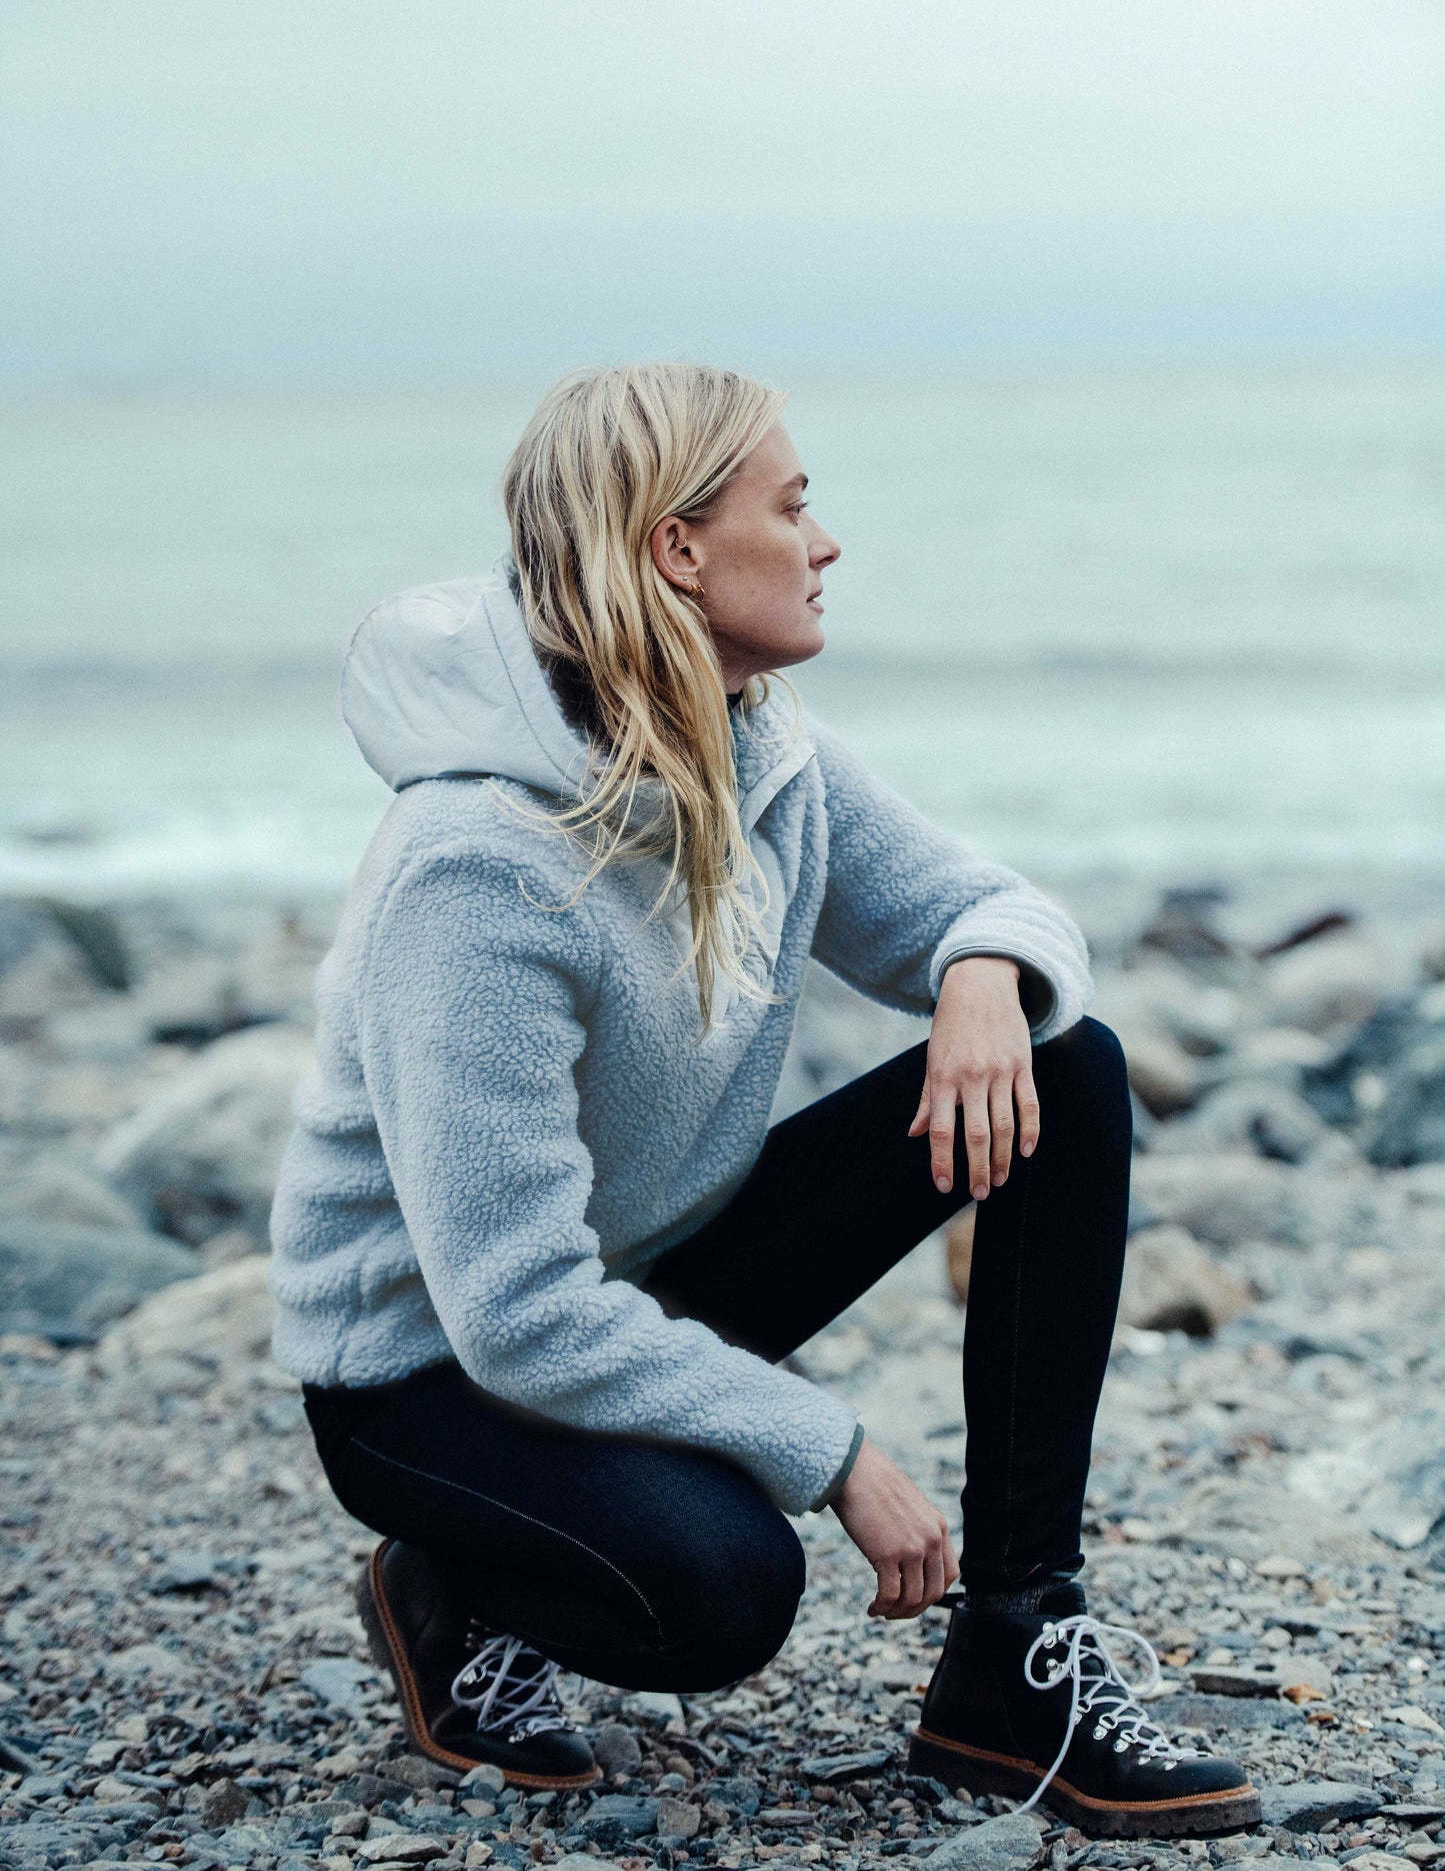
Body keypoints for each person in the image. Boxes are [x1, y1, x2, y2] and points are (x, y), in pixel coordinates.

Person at [267, 362, 1258, 1836]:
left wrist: (979, 972)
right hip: (427, 1373)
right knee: (723, 1591)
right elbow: (516, 1312)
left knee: (1066, 1063)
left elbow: (990, 903)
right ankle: (450, 1586)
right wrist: (830, 1447)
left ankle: (1011, 1657)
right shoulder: (474, 867)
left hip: (636, 1282)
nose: (823, 540)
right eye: (791, 506)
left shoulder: (759, 746)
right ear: (678, 548)